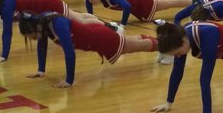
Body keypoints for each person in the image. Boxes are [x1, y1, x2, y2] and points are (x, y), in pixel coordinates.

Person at [19, 12, 157, 88]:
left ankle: (164, 46)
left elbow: (69, 52)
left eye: (30, 36)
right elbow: (41, 45)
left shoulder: (57, 24)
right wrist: (41, 70)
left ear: (35, 28)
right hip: (96, 35)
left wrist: (69, 80)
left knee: (133, 47)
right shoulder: (43, 23)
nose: (32, 39)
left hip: (100, 39)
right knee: (129, 42)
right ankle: (156, 41)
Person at [0, 0, 99, 61]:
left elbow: (7, 32)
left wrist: (4, 55)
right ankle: (105, 24)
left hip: (48, 4)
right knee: (79, 17)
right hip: (44, 1)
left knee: (79, 21)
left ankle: (107, 26)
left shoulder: (5, 6)